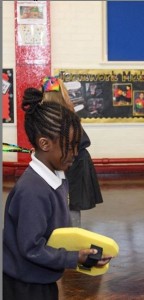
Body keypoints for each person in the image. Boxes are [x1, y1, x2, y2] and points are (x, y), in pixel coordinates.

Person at [3, 87, 112, 300]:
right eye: (69, 147)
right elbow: (31, 248)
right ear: (45, 144)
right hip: (24, 286)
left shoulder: (57, 175)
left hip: (40, 278)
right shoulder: (33, 191)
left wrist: (80, 252)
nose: (74, 153)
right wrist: (73, 257)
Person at [41, 76, 103, 227]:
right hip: (68, 161)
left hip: (74, 163)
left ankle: (71, 243)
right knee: (65, 202)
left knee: (70, 202)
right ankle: (67, 240)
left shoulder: (61, 114)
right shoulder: (62, 112)